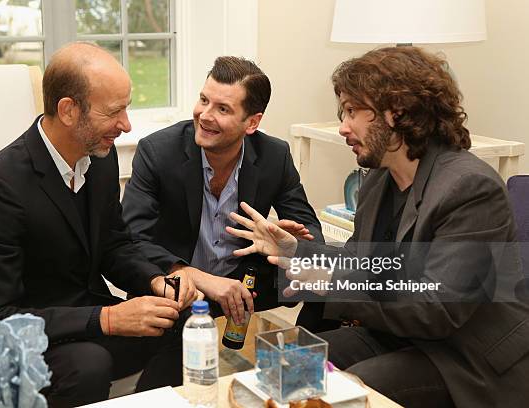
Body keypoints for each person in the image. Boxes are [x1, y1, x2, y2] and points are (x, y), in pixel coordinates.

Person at [226, 47, 529, 408]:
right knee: (283, 364)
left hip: (464, 357)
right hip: (398, 335)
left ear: (396, 112)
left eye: (353, 111)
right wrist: (295, 253)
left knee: (355, 390)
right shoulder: (378, 182)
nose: (343, 127)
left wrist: (334, 282)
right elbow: (361, 263)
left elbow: (437, 309)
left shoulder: (470, 188)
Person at [0, 42, 198, 406]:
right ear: (69, 110)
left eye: (127, 108)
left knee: (181, 321)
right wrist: (106, 319)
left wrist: (155, 280)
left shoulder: (99, 159)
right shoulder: (1, 187)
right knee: (89, 364)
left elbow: (114, 246)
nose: (126, 124)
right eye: (114, 111)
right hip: (23, 337)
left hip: (84, 319)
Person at [121, 56, 324, 325]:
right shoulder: (158, 152)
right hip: (179, 283)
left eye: (223, 109)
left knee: (319, 283)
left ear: (252, 123)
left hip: (244, 281)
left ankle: (300, 359)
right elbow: (132, 238)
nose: (205, 116)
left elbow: (312, 232)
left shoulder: (274, 156)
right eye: (204, 100)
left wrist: (295, 244)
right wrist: (193, 276)